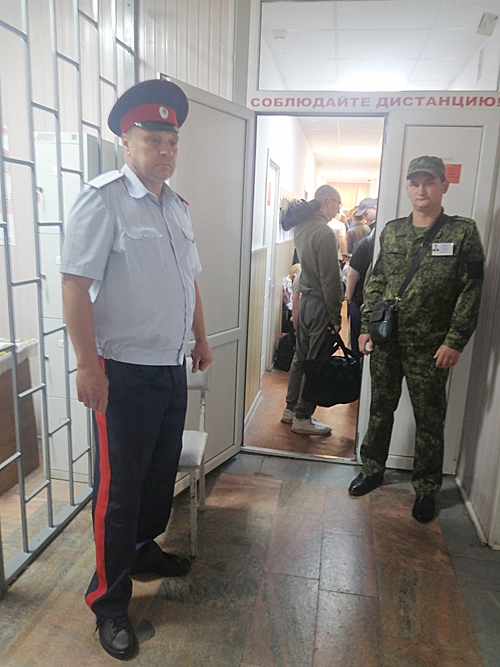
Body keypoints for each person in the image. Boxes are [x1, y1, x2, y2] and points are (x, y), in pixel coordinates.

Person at [60, 79, 213, 661]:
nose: (165, 150)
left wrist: (200, 338)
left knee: (155, 480)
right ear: (126, 142)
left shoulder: (177, 206)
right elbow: (75, 285)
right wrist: (86, 366)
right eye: (153, 140)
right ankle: (108, 602)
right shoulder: (103, 200)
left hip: (169, 368)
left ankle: (143, 550)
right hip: (121, 373)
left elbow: (189, 279)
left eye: (172, 141)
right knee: (118, 493)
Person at [348, 156, 484, 524]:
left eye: (429, 182)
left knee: (429, 418)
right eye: (414, 183)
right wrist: (366, 327)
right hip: (388, 340)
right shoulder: (391, 231)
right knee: (380, 409)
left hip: (432, 346)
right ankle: (372, 468)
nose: (421, 190)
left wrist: (455, 340)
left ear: (444, 185)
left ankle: (426, 488)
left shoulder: (463, 232)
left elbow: (471, 290)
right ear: (408, 187)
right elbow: (377, 280)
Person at [281, 185, 343, 435]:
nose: (339, 210)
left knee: (301, 356)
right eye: (337, 204)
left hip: (305, 300)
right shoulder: (325, 233)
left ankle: (290, 408)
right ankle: (303, 416)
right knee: (315, 361)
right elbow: (330, 279)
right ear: (327, 201)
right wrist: (336, 316)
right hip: (319, 304)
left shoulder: (302, 227)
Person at [346, 230, 375, 358]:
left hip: (358, 300)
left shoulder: (365, 244)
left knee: (356, 341)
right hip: (375, 303)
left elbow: (352, 275)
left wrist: (349, 298)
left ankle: (356, 366)